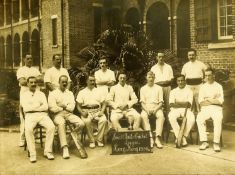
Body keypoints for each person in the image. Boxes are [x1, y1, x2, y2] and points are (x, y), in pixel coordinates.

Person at [48, 75, 87, 159]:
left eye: (66, 82)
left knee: (81, 123)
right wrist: (64, 107)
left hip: (69, 114)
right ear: (59, 83)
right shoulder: (53, 94)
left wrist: (62, 106)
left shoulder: (70, 93)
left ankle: (69, 137)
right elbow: (52, 108)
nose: (65, 83)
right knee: (61, 123)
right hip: (57, 115)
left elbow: (72, 107)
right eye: (63, 82)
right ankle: (65, 148)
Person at [21, 76, 55, 163]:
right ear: (27, 84)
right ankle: (32, 154)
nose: (33, 84)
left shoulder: (41, 94)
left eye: (35, 82)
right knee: (28, 129)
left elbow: (45, 107)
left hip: (42, 115)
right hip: (30, 116)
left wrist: (34, 107)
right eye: (31, 82)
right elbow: (26, 108)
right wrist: (38, 106)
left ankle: (47, 151)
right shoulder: (24, 95)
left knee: (51, 127)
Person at [76, 75, 108, 148]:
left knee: (103, 120)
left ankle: (99, 140)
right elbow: (78, 105)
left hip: (97, 111)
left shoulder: (99, 91)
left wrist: (102, 111)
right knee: (87, 121)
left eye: (94, 80)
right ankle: (92, 141)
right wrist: (82, 112)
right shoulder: (82, 92)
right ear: (87, 81)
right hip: (86, 111)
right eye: (90, 80)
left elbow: (104, 103)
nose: (92, 82)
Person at [16, 54, 42, 147]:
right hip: (25, 95)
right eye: (28, 59)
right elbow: (22, 82)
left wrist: (29, 80)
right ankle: (22, 139)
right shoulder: (21, 70)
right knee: (24, 117)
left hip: (36, 95)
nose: (30, 60)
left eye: (31, 58)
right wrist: (34, 80)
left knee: (36, 114)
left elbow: (41, 79)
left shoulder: (35, 69)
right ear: (24, 59)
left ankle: (35, 136)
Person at [196, 68, 224, 152]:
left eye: (209, 75)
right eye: (206, 75)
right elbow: (201, 102)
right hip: (205, 109)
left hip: (216, 109)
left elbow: (220, 101)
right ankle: (204, 142)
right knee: (199, 118)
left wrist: (208, 100)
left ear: (213, 76)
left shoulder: (219, 86)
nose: (207, 77)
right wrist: (213, 100)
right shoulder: (203, 87)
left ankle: (216, 143)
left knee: (218, 119)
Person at [168, 74, 195, 147]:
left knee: (192, 119)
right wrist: (183, 103)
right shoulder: (173, 91)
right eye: (178, 81)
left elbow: (188, 104)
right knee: (171, 117)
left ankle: (183, 136)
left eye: (182, 80)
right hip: (175, 110)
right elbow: (171, 104)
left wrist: (177, 102)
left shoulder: (189, 91)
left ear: (185, 81)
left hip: (186, 110)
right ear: (176, 82)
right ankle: (179, 137)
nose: (180, 82)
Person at [140, 71, 165, 148]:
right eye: (149, 77)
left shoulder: (159, 88)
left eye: (152, 77)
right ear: (146, 78)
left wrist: (155, 109)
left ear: (154, 78)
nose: (151, 79)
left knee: (161, 116)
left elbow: (161, 102)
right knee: (143, 116)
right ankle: (150, 137)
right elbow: (142, 103)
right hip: (146, 107)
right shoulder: (143, 88)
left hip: (157, 107)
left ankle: (157, 138)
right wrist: (147, 110)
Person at [181, 49, 207, 113]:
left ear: (196, 55)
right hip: (189, 86)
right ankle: (191, 116)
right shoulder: (185, 65)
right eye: (190, 55)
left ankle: (200, 115)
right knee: (190, 101)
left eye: (193, 55)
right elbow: (182, 76)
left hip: (199, 85)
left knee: (199, 101)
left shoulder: (201, 64)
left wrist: (205, 80)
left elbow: (207, 72)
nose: (191, 57)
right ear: (187, 56)